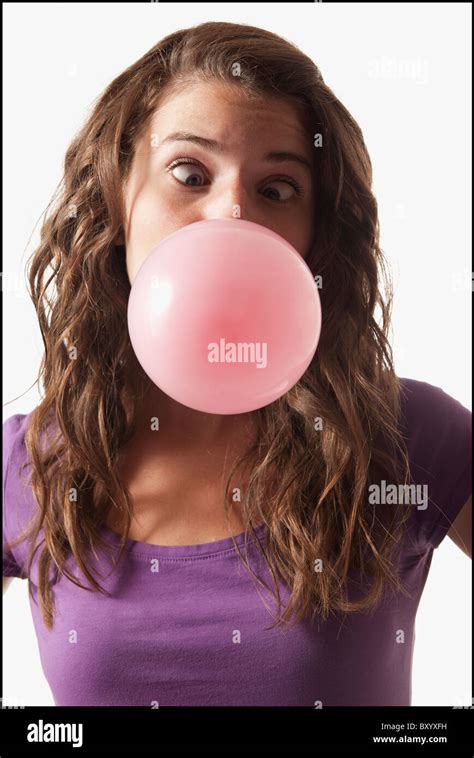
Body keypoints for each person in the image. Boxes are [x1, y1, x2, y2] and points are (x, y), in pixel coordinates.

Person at [3, 21, 471, 707]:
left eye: (278, 188)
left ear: (315, 236)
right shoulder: (28, 467)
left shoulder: (409, 436)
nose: (231, 210)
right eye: (189, 173)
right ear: (116, 194)